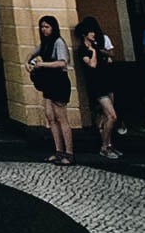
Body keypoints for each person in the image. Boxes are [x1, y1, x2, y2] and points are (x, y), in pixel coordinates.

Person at [27, 15, 74, 165]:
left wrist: (43, 65)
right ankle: (58, 151)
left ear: (53, 27)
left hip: (59, 81)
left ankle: (69, 153)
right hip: (49, 83)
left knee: (62, 118)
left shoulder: (58, 42)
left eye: (47, 27)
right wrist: (27, 62)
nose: (44, 30)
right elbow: (32, 53)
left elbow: (62, 62)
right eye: (42, 27)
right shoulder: (45, 43)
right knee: (50, 117)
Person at [75, 19, 119, 159]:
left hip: (106, 82)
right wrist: (94, 52)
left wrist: (100, 52)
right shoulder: (83, 50)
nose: (94, 34)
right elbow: (92, 65)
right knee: (112, 116)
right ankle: (104, 146)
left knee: (106, 116)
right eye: (91, 32)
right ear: (84, 34)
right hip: (97, 86)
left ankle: (109, 144)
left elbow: (110, 57)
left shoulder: (97, 45)